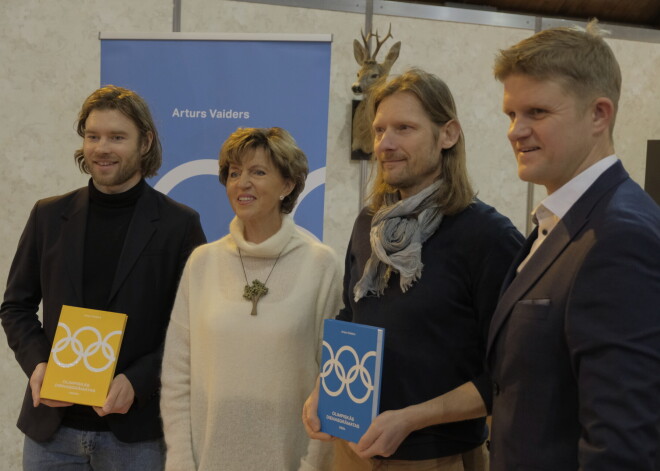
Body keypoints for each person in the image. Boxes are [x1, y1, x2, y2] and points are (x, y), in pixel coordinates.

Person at [303, 68, 524, 470]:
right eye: (379, 129)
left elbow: (509, 375)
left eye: (404, 128)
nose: (384, 144)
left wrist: (412, 418)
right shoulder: (368, 224)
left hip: (437, 457)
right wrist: (324, 387)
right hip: (352, 450)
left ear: (448, 135)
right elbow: (352, 316)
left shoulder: (489, 237)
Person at [0, 85, 206, 470]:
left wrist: (139, 381)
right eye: (92, 136)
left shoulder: (180, 225)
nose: (101, 148)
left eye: (116, 137)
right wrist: (39, 365)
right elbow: (16, 306)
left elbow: (194, 328)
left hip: (136, 435)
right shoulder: (48, 215)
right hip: (51, 434)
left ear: (145, 142)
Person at [487, 20, 660, 471]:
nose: (515, 131)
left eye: (537, 113)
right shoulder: (561, 220)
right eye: (511, 114)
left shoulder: (619, 236)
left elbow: (621, 444)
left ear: (599, 114)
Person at [160, 127, 342, 470]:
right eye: (234, 173)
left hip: (290, 461)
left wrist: (314, 464)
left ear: (287, 185)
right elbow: (176, 374)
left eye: (258, 172)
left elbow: (331, 379)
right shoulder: (202, 262)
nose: (242, 183)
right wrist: (181, 461)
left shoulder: (321, 264)